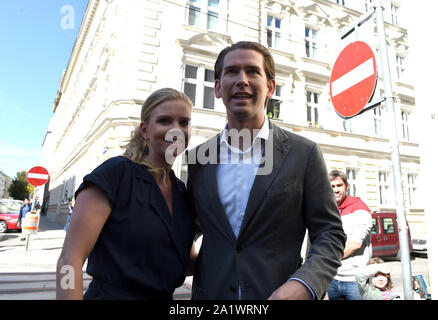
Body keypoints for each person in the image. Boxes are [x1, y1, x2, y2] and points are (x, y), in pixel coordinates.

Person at [187, 41, 346, 300]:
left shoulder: (303, 153)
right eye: (231, 72)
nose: (242, 80)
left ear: (270, 87)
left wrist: (303, 285)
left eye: (252, 71)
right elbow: (186, 226)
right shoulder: (198, 160)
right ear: (217, 87)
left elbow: (329, 233)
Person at [56, 88, 195, 300]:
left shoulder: (181, 192)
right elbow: (69, 260)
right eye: (165, 121)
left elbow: (183, 262)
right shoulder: (116, 173)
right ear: (145, 130)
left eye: (183, 122)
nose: (176, 130)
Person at [327, 169, 372, 300]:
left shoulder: (360, 208)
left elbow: (354, 244)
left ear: (347, 186)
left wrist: (328, 260)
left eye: (339, 185)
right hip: (333, 278)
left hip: (355, 280)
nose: (336, 190)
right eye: (332, 186)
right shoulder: (328, 210)